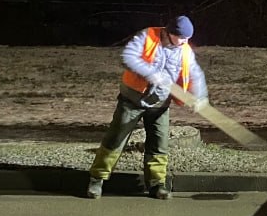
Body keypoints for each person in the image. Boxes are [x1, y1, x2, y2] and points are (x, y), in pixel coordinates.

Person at [86, 15, 209, 200]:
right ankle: (97, 179)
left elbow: (195, 74)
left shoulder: (184, 49)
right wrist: (152, 74)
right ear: (170, 32)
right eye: (182, 38)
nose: (185, 42)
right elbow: (127, 57)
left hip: (160, 104)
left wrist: (199, 96)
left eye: (187, 39)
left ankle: (157, 184)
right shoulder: (148, 36)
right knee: (115, 139)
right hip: (132, 101)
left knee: (159, 144)